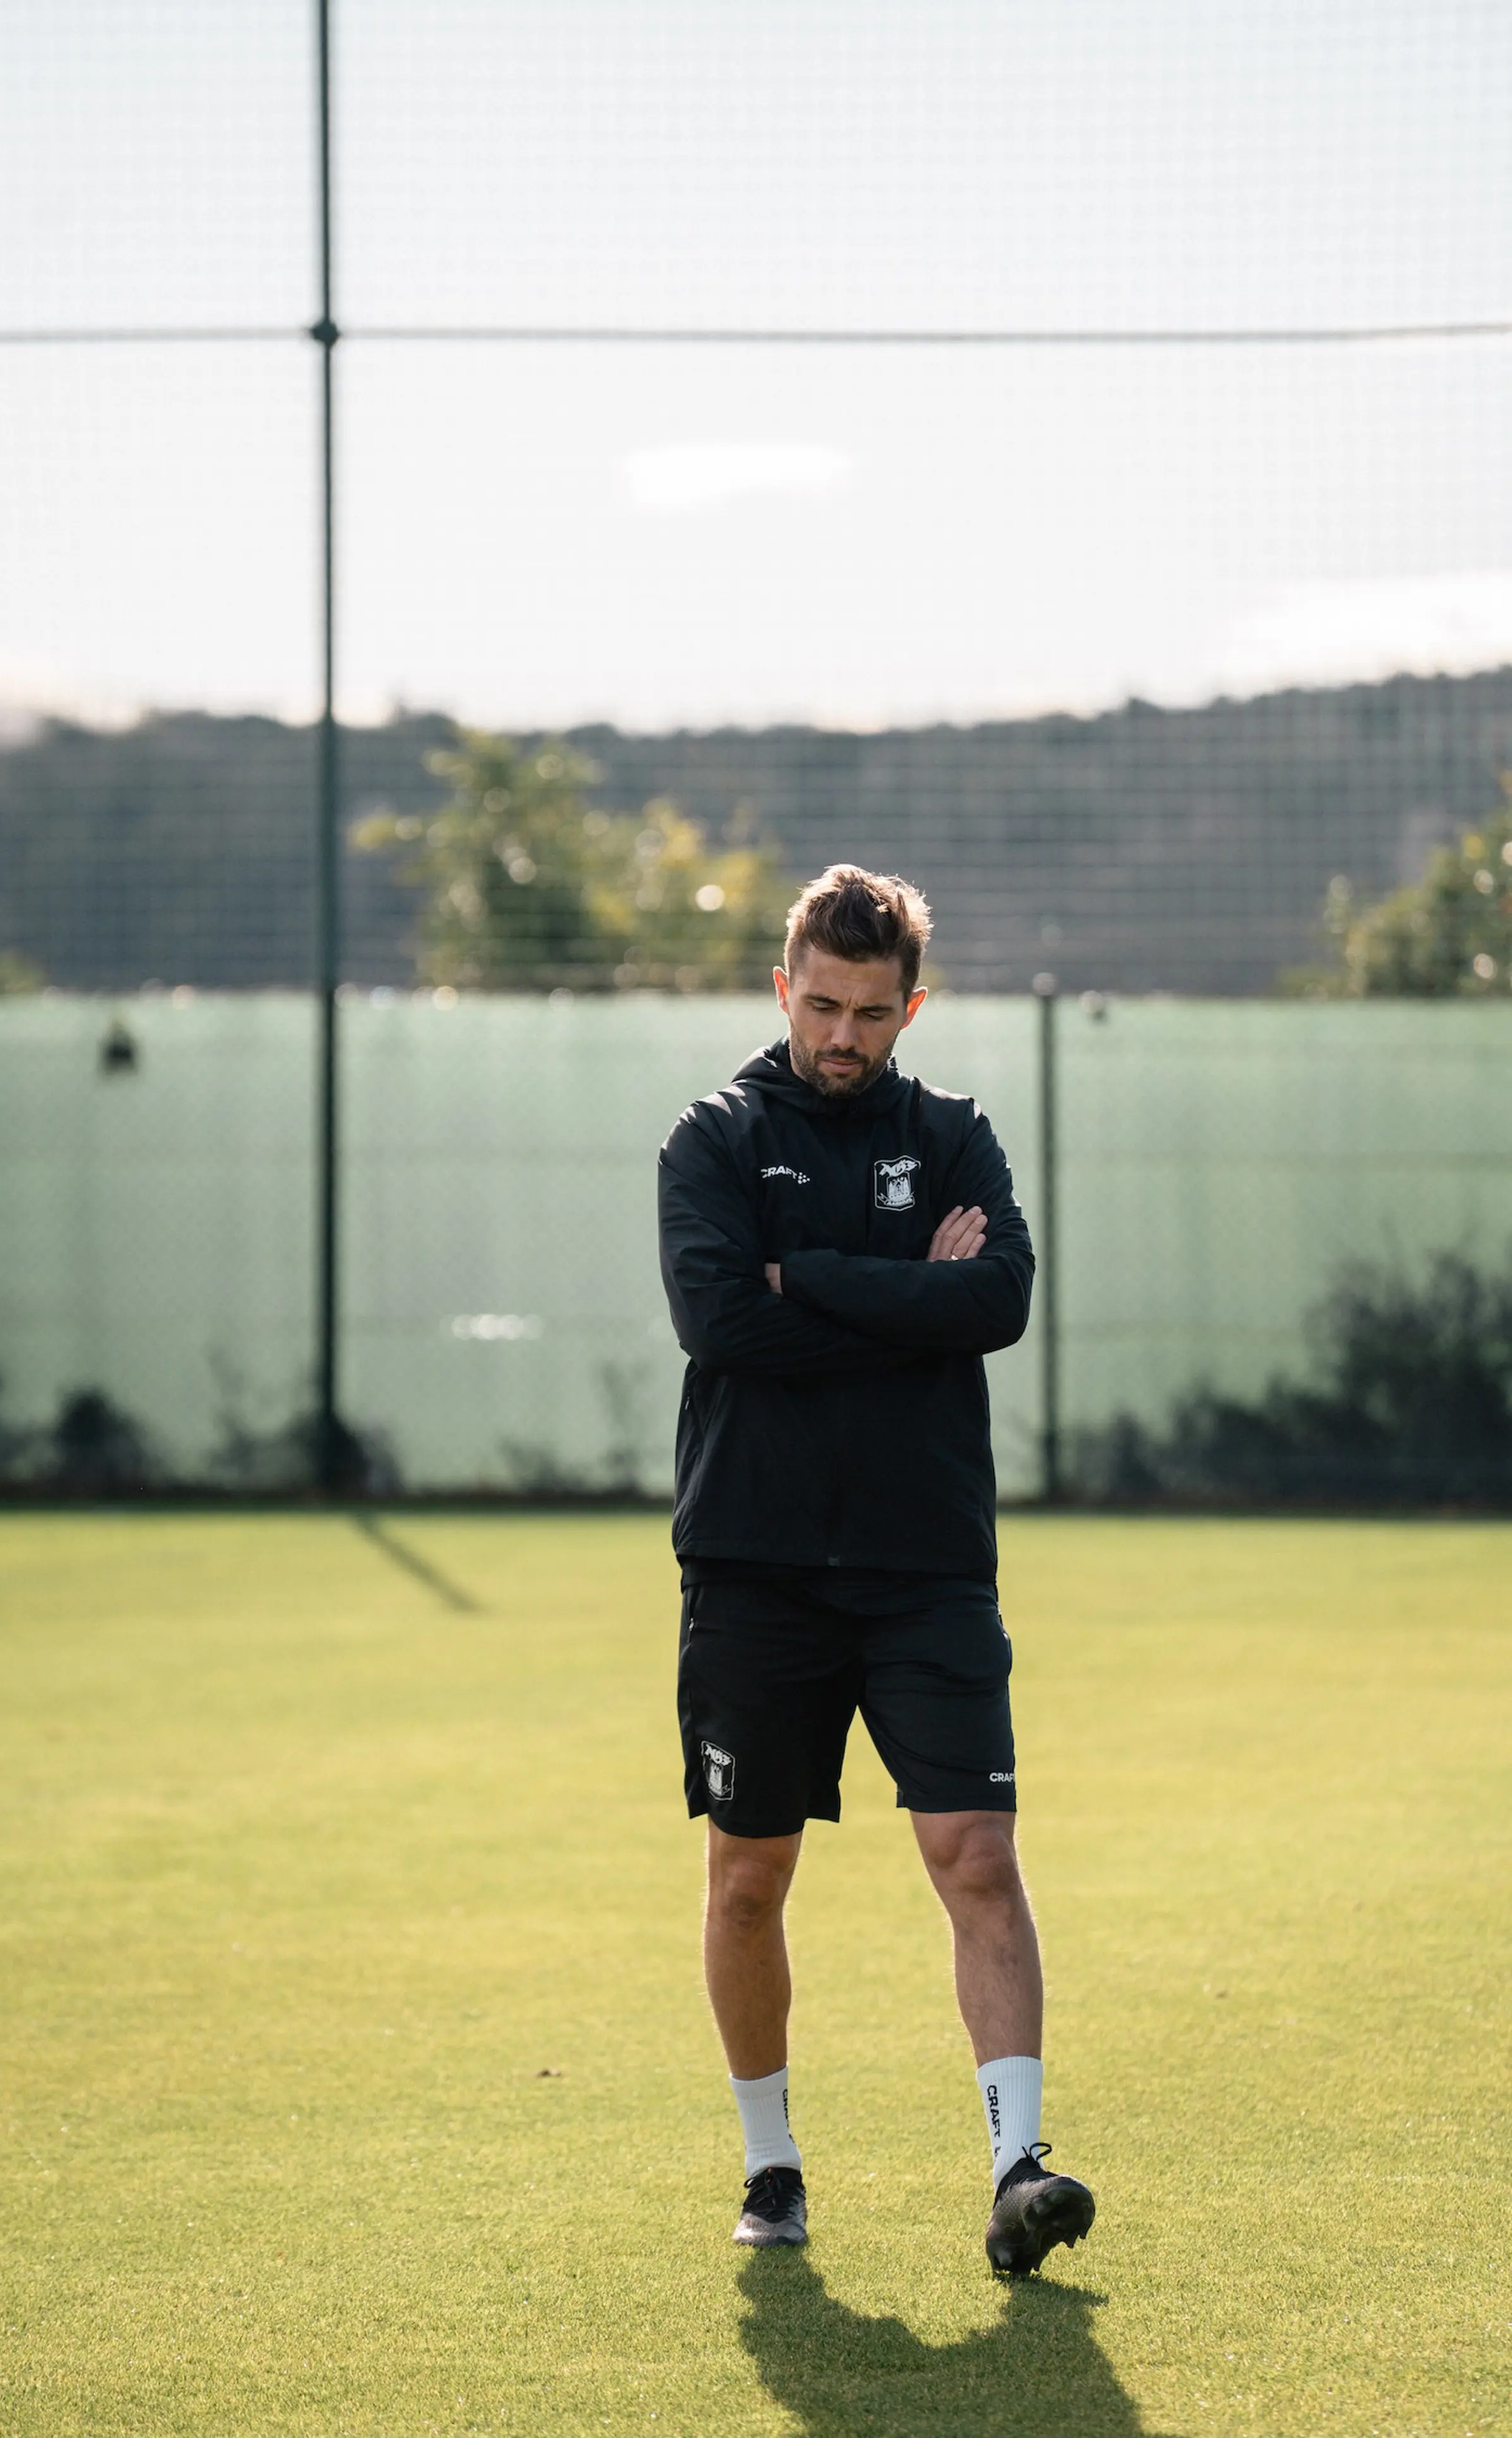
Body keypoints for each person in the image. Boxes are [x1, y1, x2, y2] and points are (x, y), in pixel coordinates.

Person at [657, 863, 1095, 2276]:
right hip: (756, 1566)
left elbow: (999, 1300)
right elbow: (720, 1324)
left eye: (870, 1012)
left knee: (978, 1855)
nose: (842, 1036)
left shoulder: (955, 1135)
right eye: (822, 1006)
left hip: (925, 1567)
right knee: (748, 1877)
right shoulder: (712, 1140)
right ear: (782, 988)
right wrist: (914, 1298)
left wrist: (814, 1276)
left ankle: (1017, 2170)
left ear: (911, 1008)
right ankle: (771, 2167)